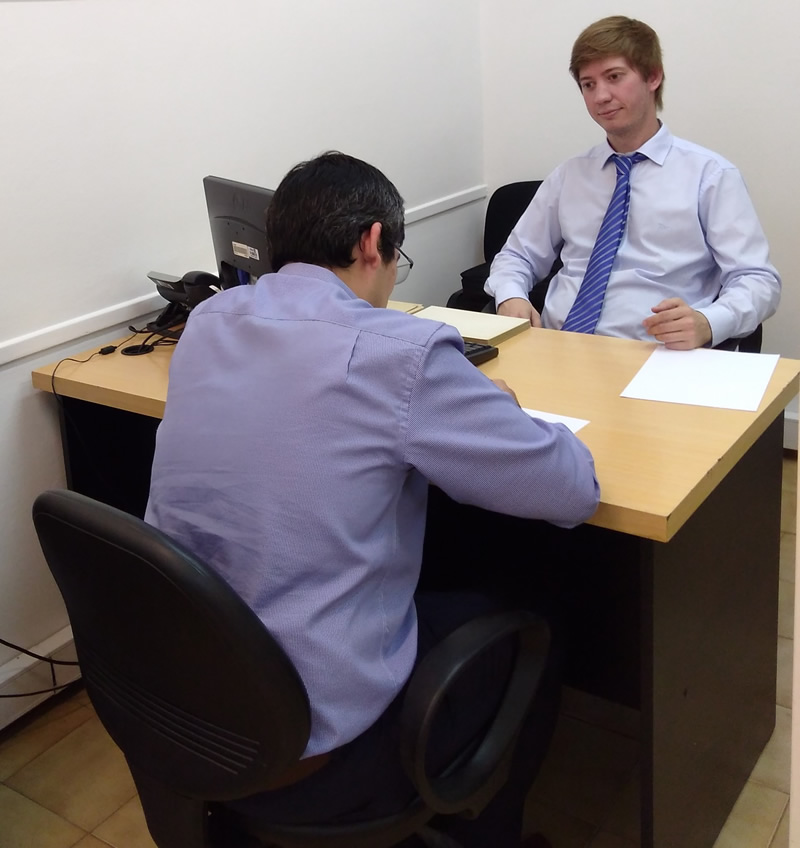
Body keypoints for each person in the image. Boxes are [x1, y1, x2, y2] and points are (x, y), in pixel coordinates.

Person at [145, 151, 600, 847]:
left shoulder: (209, 320)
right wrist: (500, 411)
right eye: (397, 260)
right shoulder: (402, 353)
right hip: (312, 746)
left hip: (189, 703)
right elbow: (572, 490)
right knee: (542, 610)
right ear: (372, 242)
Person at [485, 16, 780, 350]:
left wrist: (709, 322)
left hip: (657, 355)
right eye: (588, 84)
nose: (600, 96)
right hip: (558, 347)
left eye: (614, 77)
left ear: (653, 76)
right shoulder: (570, 175)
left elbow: (758, 280)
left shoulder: (710, 176)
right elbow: (516, 256)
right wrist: (510, 296)